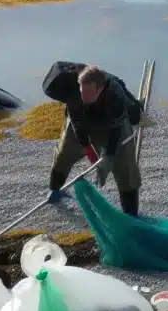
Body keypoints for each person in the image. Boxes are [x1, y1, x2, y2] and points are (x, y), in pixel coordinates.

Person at [41, 61, 144, 215]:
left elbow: (116, 131)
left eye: (89, 95)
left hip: (112, 123)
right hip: (81, 118)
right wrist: (89, 150)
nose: (85, 98)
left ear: (101, 89)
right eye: (83, 93)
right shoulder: (70, 90)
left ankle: (131, 214)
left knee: (124, 166)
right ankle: (55, 190)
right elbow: (77, 124)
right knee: (65, 152)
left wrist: (108, 156)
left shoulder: (116, 95)